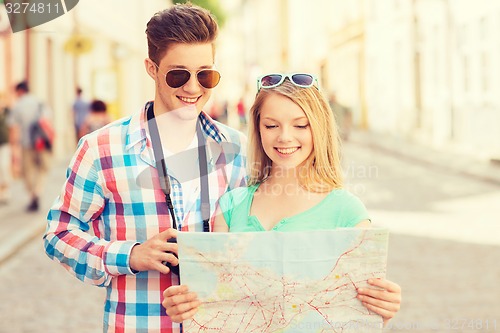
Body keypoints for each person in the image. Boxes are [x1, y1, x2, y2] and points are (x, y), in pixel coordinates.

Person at [43, 4, 246, 333]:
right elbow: (59, 235)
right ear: (151, 68)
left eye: (205, 74)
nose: (194, 88)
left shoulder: (240, 151)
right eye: (178, 74)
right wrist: (130, 256)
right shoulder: (100, 149)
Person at [162, 73, 402, 326]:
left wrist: (382, 308)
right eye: (271, 125)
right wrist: (187, 307)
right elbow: (215, 304)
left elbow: (356, 316)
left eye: (300, 125)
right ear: (258, 129)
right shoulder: (231, 205)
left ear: (318, 128)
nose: (285, 137)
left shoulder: (347, 211)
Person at [10, 81, 52, 212]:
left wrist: (13, 148)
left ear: (20, 91)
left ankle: (33, 194)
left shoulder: (18, 105)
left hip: (26, 143)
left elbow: (13, 126)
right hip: (41, 143)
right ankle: (38, 191)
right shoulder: (39, 102)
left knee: (28, 171)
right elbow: (48, 120)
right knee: (42, 169)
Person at [0, 93, 11, 203]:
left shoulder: (7, 112)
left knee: (3, 166)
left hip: (5, 144)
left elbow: (13, 127)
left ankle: (6, 189)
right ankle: (2, 191)